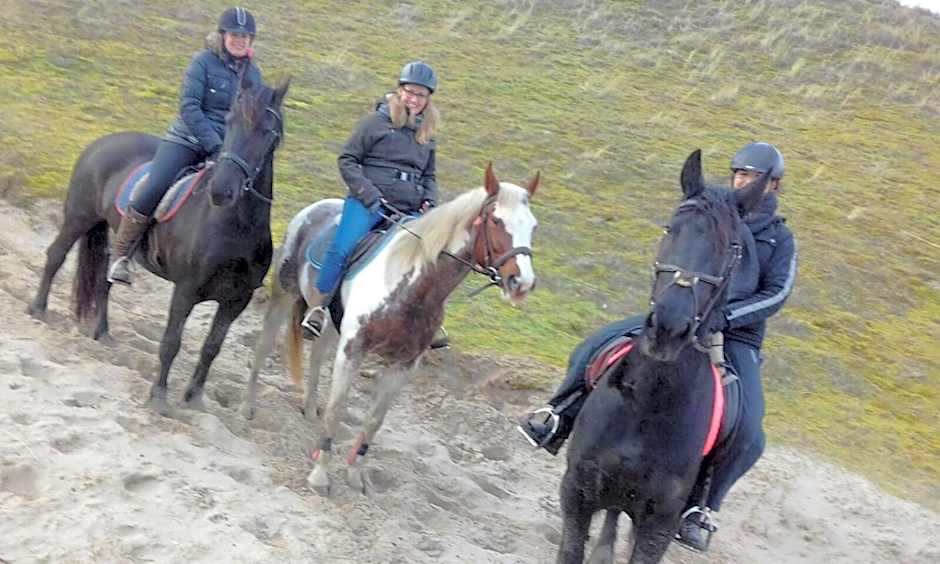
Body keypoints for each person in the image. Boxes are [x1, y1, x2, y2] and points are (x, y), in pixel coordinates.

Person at [518, 142, 798, 552]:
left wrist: (728, 317)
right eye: (740, 174)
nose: (744, 182)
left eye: (754, 177)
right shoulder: (710, 211)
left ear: (772, 185)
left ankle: (701, 506)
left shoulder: (779, 238)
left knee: (750, 429)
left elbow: (778, 293)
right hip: (682, 311)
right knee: (597, 345)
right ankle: (556, 415)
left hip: (734, 333)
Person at [107, 7, 263, 285]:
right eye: (235, 34)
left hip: (227, 151)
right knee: (155, 185)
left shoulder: (254, 76)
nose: (240, 40)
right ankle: (121, 255)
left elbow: (250, 121)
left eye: (245, 36)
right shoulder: (202, 62)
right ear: (222, 35)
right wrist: (215, 144)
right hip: (187, 140)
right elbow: (190, 108)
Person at [300, 61, 441, 339]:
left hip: (408, 210)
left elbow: (430, 176)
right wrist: (368, 193)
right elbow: (347, 160)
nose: (413, 99)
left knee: (427, 258)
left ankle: (423, 319)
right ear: (399, 91)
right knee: (342, 247)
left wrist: (429, 200)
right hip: (368, 204)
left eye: (420, 95)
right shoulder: (375, 122)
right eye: (409, 92)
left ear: (428, 100)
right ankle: (317, 307)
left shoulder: (428, 134)